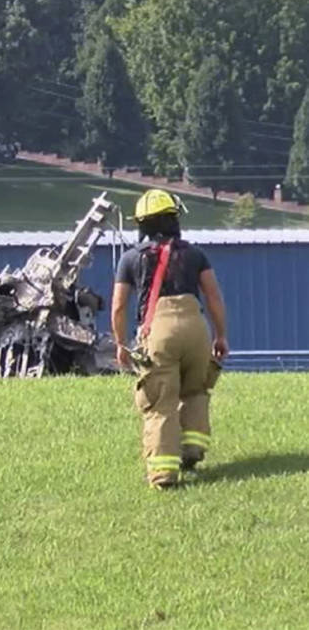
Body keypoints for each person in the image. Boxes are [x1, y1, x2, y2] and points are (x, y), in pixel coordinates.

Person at [111, 189, 228, 489]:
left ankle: (164, 473)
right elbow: (213, 296)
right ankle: (192, 449)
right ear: (174, 218)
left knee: (160, 401)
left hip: (158, 331)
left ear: (142, 224)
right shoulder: (196, 254)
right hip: (195, 327)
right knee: (196, 390)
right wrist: (221, 335)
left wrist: (121, 343)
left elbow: (119, 306)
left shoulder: (130, 259)